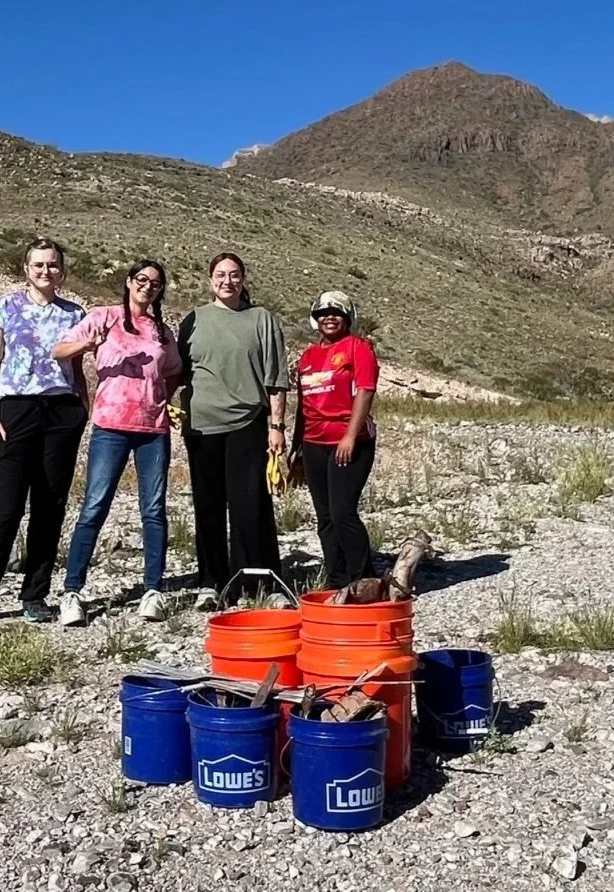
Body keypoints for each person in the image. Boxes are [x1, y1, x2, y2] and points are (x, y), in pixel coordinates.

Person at [0, 238, 89, 625]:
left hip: (61, 413)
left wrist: (82, 405)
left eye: (52, 265)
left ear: (62, 270)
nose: (45, 271)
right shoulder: (5, 307)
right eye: (38, 265)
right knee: (6, 508)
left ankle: (35, 595)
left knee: (50, 507)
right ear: (26, 268)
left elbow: (76, 368)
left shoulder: (74, 313)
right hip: (16, 411)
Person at [51, 260, 182, 626]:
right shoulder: (104, 317)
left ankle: (153, 590)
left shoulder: (161, 331)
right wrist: (87, 343)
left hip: (153, 430)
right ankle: (72, 592)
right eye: (142, 280)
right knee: (95, 506)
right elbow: (58, 350)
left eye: (155, 284)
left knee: (153, 509)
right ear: (128, 282)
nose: (147, 287)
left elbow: (174, 370)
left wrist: (162, 398)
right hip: (110, 425)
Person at [176, 252, 289, 611]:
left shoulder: (261, 319)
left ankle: (263, 581)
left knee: (251, 503)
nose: (228, 281)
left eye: (234, 274)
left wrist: (277, 427)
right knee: (208, 505)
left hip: (247, 422)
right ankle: (211, 583)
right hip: (202, 425)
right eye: (221, 275)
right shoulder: (193, 320)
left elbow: (277, 379)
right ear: (210, 280)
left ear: (243, 279)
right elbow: (176, 371)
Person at [290, 290, 380, 589]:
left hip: (349, 440)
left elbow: (365, 391)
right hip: (314, 443)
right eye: (323, 313)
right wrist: (296, 449)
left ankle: (364, 577)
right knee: (325, 517)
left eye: (336, 313)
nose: (329, 317)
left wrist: (350, 436)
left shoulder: (358, 348)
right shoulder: (308, 356)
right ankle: (337, 579)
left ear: (347, 317)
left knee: (343, 512)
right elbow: (303, 403)